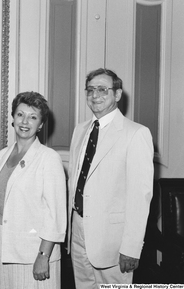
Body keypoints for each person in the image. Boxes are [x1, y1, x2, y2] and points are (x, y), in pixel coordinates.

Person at [67, 68, 154, 287]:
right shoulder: (80, 130)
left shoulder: (135, 133)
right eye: (90, 90)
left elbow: (140, 197)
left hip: (112, 241)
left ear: (117, 95)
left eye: (102, 90)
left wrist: (131, 248)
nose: (95, 96)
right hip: (78, 232)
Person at [0, 91, 67, 289]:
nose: (25, 121)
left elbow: (55, 214)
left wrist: (43, 256)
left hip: (35, 252)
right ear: (13, 118)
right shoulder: (1, 156)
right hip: (6, 245)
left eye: (33, 117)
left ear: (40, 125)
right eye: (20, 114)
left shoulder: (49, 158)